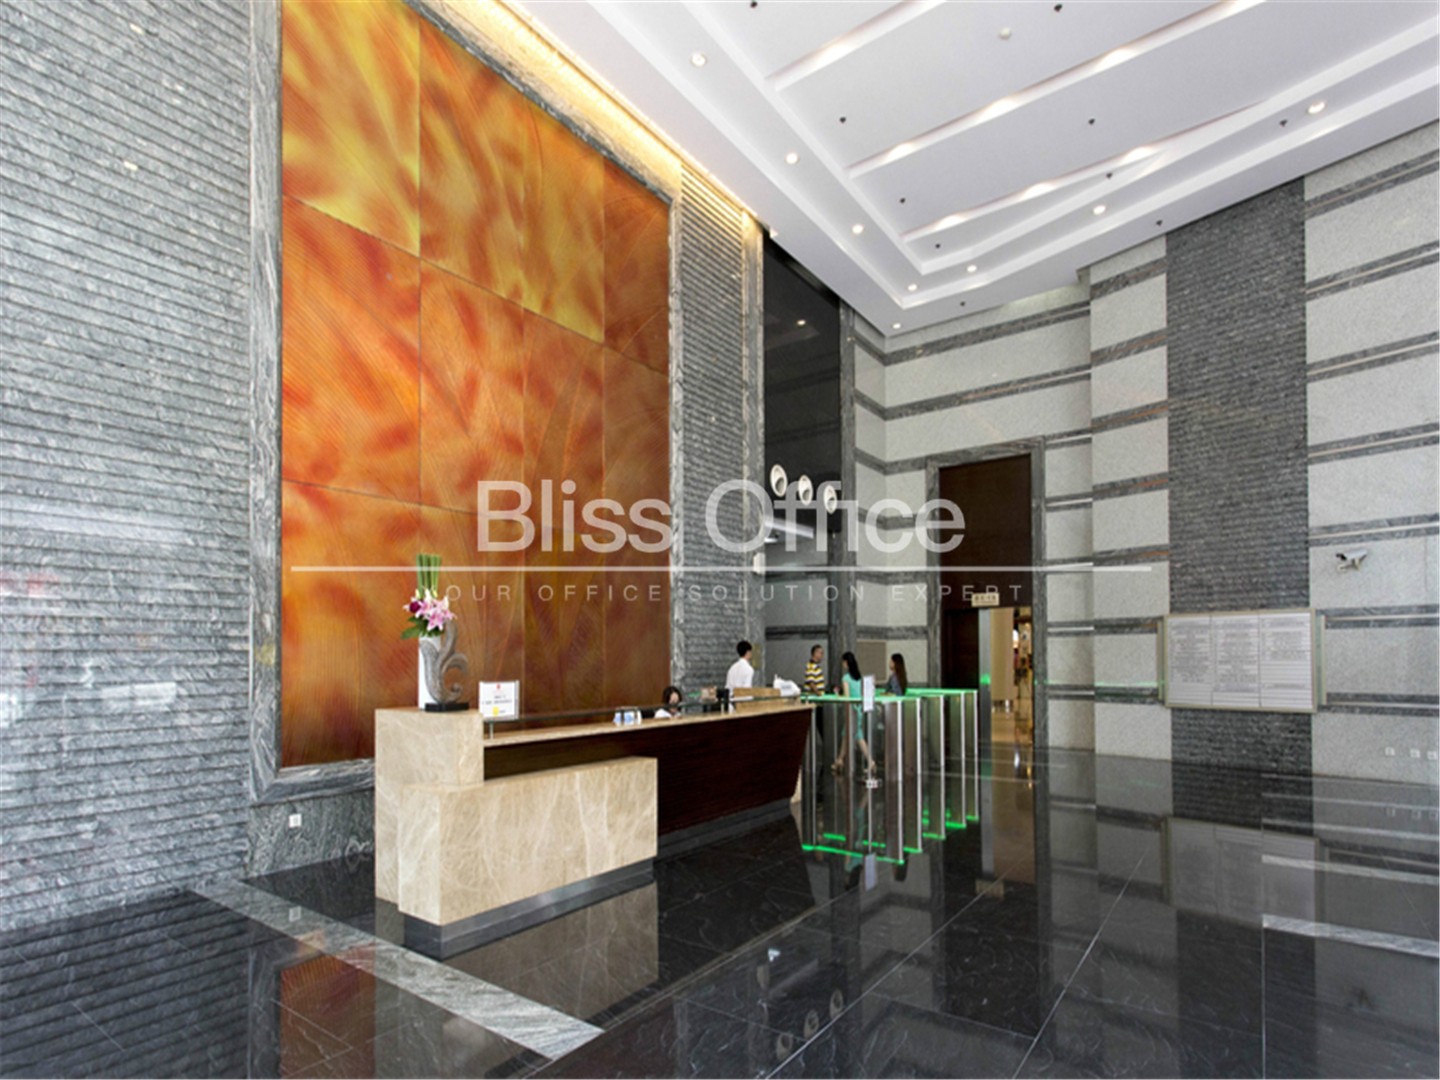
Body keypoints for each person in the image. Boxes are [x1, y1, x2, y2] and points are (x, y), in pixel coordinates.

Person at [832, 651, 874, 775]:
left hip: (851, 711)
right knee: (849, 735)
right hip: (858, 709)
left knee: (853, 736)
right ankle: (840, 760)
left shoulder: (845, 678)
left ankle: (869, 761)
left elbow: (847, 696)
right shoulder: (858, 677)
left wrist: (837, 695)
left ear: (846, 663)